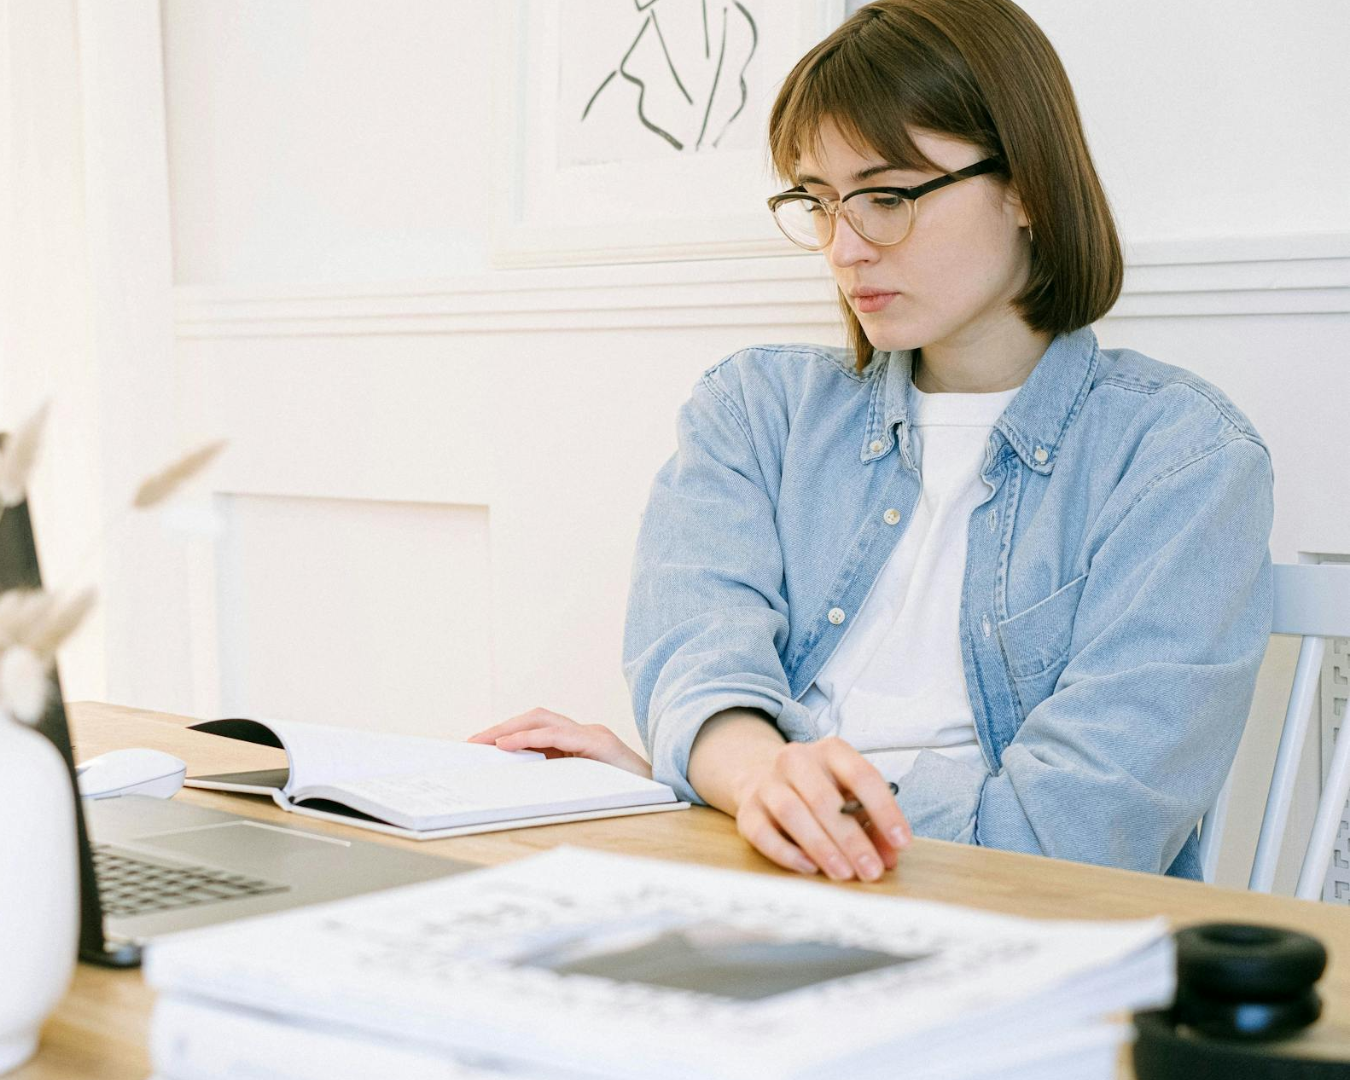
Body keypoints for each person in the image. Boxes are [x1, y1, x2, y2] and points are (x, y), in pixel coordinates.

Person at [470, 0, 1273, 883]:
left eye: (887, 196)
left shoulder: (1182, 461)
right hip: (754, 895)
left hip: (1016, 940)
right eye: (818, 202)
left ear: (1027, 188)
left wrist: (728, 790)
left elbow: (1069, 836)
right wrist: (739, 777)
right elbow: (694, 669)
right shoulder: (753, 412)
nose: (843, 248)